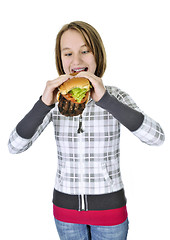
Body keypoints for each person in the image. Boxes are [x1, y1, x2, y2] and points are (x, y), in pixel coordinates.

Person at [8, 21, 165, 240]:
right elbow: (14, 146)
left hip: (110, 212)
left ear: (97, 54)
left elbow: (157, 138)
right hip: (65, 213)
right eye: (68, 53)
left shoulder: (115, 96)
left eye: (85, 51)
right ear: (60, 59)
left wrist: (107, 101)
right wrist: (43, 104)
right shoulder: (55, 99)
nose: (77, 61)